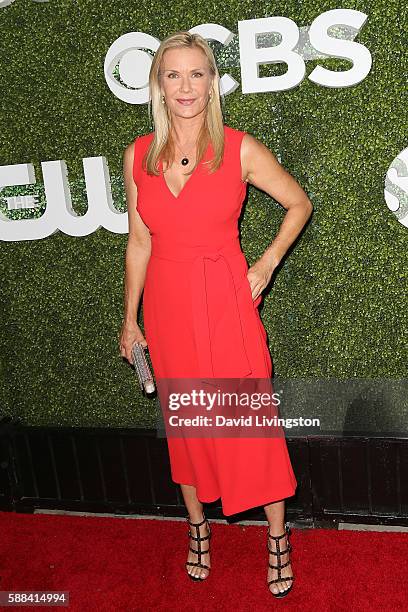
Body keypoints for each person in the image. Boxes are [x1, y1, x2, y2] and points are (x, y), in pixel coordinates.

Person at [120, 31, 313, 597]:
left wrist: (267, 264)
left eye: (196, 74)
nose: (185, 86)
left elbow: (298, 203)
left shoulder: (239, 147)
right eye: (173, 75)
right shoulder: (139, 155)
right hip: (168, 307)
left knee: (249, 423)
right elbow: (138, 242)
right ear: (158, 85)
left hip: (226, 303)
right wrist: (130, 319)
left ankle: (278, 537)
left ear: (212, 83)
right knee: (188, 426)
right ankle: (198, 527)